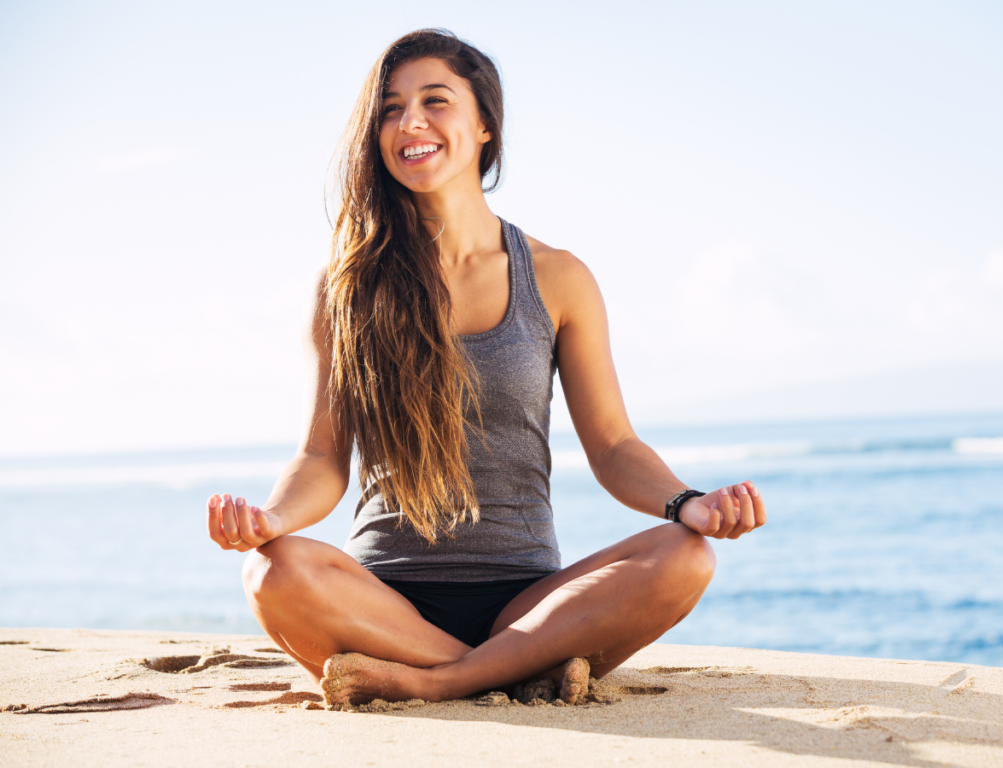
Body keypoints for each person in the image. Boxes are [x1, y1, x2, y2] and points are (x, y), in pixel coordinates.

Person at [205, 28, 766, 706]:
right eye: (388, 108)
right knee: (272, 574)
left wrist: (688, 504)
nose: (409, 121)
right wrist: (271, 520)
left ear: (484, 127)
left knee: (684, 557)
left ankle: (435, 682)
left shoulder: (558, 278)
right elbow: (322, 455)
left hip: (531, 603)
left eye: (434, 101)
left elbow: (614, 446)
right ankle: (508, 672)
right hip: (383, 604)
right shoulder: (347, 288)